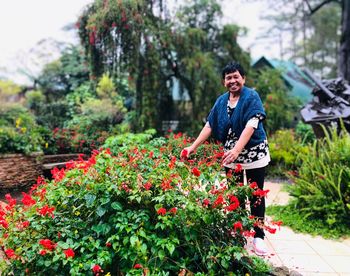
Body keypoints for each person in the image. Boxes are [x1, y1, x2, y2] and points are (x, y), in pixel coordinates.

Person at [181, 61, 270, 256]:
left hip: (253, 151)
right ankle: (238, 233)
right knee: (235, 195)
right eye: (228, 78)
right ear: (224, 82)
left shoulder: (251, 97)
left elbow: (252, 125)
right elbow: (210, 125)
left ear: (243, 78)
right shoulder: (221, 101)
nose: (232, 81)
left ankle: (258, 236)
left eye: (236, 76)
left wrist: (238, 149)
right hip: (230, 154)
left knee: (256, 195)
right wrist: (192, 147)